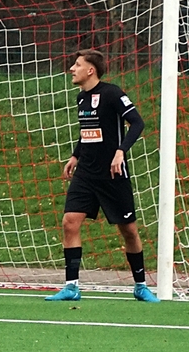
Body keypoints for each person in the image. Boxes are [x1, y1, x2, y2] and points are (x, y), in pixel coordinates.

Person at [46, 49, 158, 303]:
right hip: (86, 173)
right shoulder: (81, 98)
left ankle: (140, 285)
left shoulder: (112, 93)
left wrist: (120, 151)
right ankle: (71, 286)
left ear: (90, 70)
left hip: (112, 174)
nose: (72, 69)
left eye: (77, 65)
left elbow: (137, 123)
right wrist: (75, 156)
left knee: (129, 231)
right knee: (69, 222)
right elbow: (88, 131)